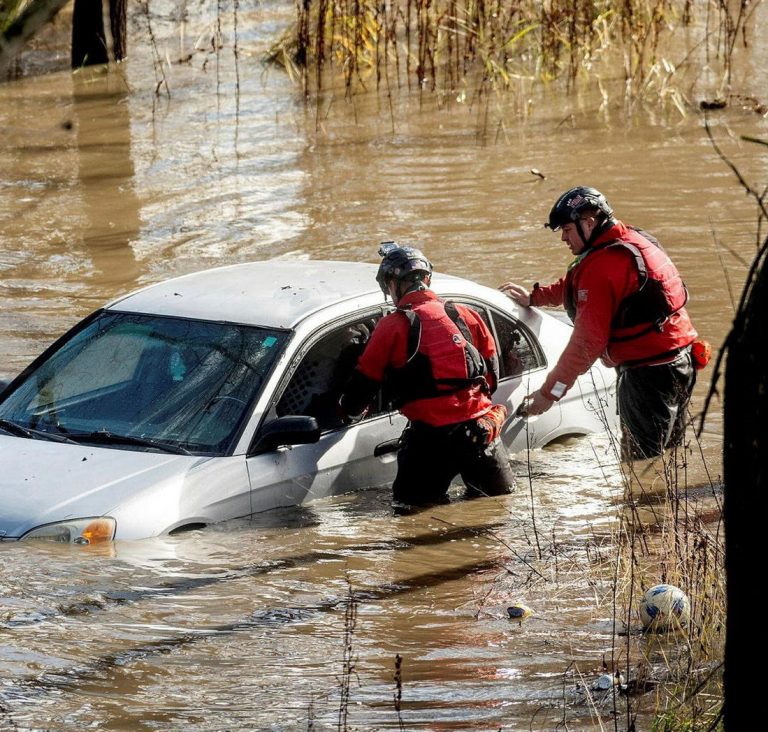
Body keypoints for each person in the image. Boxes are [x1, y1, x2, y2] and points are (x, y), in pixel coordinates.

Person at [499, 186, 699, 460]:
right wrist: (536, 297)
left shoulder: (603, 265)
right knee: (671, 457)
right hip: (681, 361)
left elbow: (586, 344)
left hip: (646, 375)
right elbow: (580, 285)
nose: (563, 238)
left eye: (567, 230)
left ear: (589, 223)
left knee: (640, 462)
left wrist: (549, 394)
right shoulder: (632, 240)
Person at [339, 242, 515, 508]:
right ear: (427, 279)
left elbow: (363, 384)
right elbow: (491, 377)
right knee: (498, 513)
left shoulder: (392, 326)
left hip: (429, 443)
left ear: (392, 285)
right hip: (481, 433)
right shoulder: (467, 315)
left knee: (411, 518)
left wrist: (346, 412)